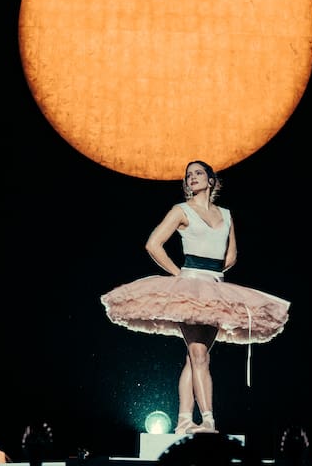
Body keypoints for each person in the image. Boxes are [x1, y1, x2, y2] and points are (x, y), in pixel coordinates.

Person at [100, 160, 291, 435]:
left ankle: (184, 420)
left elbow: (231, 256)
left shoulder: (226, 215)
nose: (192, 178)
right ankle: (208, 421)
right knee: (199, 354)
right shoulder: (181, 210)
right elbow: (153, 244)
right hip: (190, 289)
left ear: (211, 180)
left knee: (196, 358)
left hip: (214, 290)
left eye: (198, 173)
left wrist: (212, 275)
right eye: (189, 175)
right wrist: (180, 274)